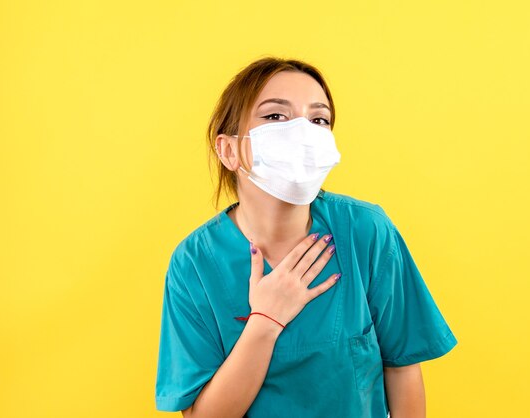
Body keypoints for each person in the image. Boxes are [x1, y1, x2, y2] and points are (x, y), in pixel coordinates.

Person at [155, 57, 458, 418]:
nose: (302, 132)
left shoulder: (365, 232)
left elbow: (402, 368)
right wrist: (265, 321)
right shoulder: (195, 265)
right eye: (275, 117)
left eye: (318, 120)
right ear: (229, 150)